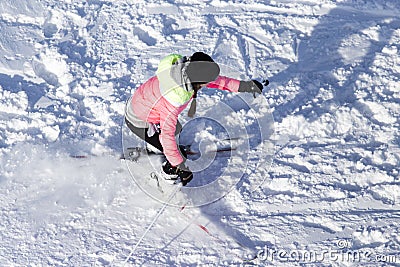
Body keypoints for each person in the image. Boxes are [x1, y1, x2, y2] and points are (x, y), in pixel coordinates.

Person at [125, 52, 266, 186]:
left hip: (144, 106)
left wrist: (246, 86)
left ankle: (156, 149)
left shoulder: (185, 72)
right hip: (139, 120)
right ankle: (167, 175)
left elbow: (219, 81)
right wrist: (180, 165)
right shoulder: (173, 99)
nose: (209, 83)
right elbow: (166, 135)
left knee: (176, 131)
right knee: (171, 147)